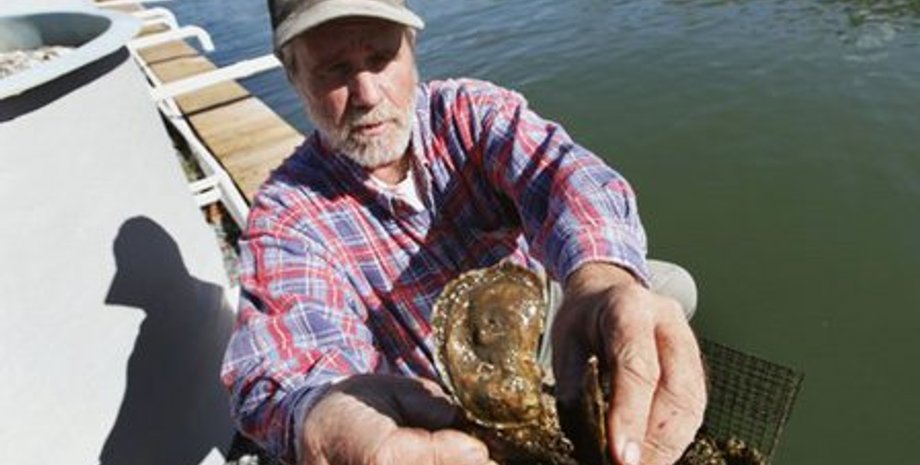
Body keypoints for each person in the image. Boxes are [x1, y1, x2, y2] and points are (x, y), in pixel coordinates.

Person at [221, 1, 707, 465]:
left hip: (543, 319)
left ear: (411, 48)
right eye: (334, 69)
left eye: (381, 58)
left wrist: (600, 281)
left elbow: (563, 176)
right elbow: (280, 359)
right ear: (293, 74)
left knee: (668, 291)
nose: (367, 93)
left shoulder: (467, 114)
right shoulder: (287, 214)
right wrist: (321, 412)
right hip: (445, 395)